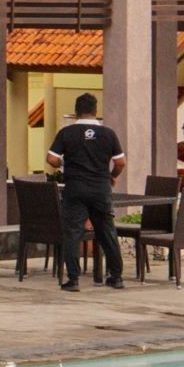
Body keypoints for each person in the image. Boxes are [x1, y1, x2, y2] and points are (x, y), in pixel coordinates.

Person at [47, 90, 126, 290]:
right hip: (100, 189)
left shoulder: (66, 133)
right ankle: (116, 277)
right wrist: (112, 176)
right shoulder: (108, 134)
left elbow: (51, 159)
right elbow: (120, 162)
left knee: (72, 233)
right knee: (107, 231)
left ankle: (73, 279)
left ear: (76, 112)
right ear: (95, 111)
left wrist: (64, 162)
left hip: (75, 189)